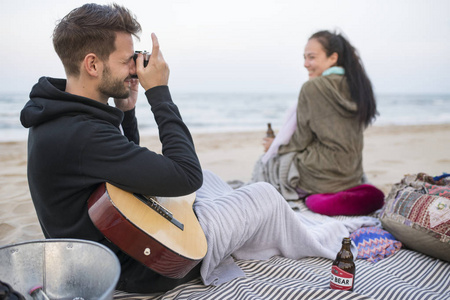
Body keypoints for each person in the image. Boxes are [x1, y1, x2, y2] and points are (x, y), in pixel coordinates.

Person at [20, 5, 379, 294]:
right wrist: (159, 93)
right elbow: (185, 176)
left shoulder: (60, 113)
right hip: (146, 263)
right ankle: (314, 237)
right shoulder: (81, 134)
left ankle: (258, 224)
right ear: (93, 64)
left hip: (119, 237)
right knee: (263, 195)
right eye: (128, 59)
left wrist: (126, 110)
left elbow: (120, 176)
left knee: (212, 180)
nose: (137, 66)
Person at [252, 30, 383, 214]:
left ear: (332, 58)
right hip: (351, 173)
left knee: (268, 163)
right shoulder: (356, 86)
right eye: (304, 58)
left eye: (311, 57)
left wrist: (275, 146)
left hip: (321, 175)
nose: (306, 64)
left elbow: (301, 140)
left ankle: (315, 195)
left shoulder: (313, 87)